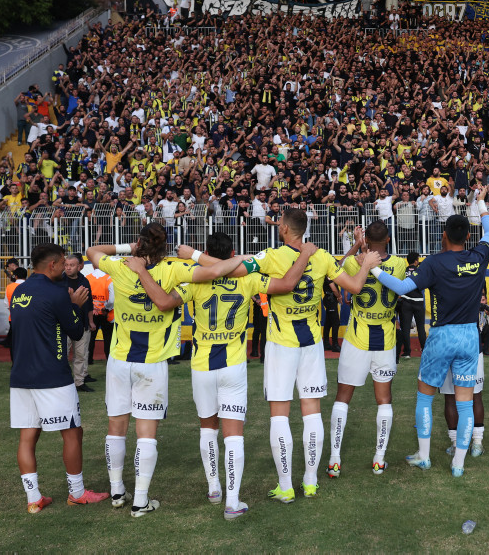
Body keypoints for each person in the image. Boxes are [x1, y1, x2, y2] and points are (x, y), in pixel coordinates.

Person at [193, 208, 380, 502]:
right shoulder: (320, 256)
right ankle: (309, 481)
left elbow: (227, 271)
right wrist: (366, 264)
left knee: (279, 415)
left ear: (283, 228)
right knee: (312, 411)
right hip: (312, 344)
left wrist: (197, 256)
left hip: (282, 344)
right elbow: (356, 287)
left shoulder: (272, 256)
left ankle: (285, 485)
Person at [128, 232, 316, 520]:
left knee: (208, 428)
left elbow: (164, 302)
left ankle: (214, 487)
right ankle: (233, 501)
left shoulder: (194, 279)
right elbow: (288, 284)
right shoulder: (248, 279)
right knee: (233, 435)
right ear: (232, 254)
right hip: (233, 367)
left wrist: (142, 272)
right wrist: (304, 255)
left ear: (206, 252)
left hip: (202, 366)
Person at [86, 223, 249, 517]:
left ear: (139, 243)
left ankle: (117, 491)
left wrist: (130, 251)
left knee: (115, 429)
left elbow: (92, 251)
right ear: (164, 248)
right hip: (152, 362)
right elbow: (216, 272)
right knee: (146, 433)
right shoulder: (173, 269)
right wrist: (195, 254)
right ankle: (140, 500)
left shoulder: (121, 265)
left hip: (119, 360)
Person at [373, 186, 489, 477]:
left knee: (425, 396)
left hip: (442, 335)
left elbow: (403, 287)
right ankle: (459, 464)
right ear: (467, 236)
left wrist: (374, 270)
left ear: (444, 235)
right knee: (465, 401)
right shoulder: (479, 257)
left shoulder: (434, 263)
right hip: (469, 335)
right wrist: (481, 203)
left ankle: (424, 456)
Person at [9, 243, 109, 512]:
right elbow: (77, 333)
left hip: (20, 376)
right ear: (52, 264)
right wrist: (75, 305)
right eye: (62, 262)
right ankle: (77, 492)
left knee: (28, 436)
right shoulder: (56, 293)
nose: (65, 267)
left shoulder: (19, 290)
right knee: (73, 432)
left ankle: (33, 499)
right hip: (51, 376)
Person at [327, 220, 406, 478]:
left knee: (342, 398)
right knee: (384, 400)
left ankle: (335, 459)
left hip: (356, 340)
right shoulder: (400, 264)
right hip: (385, 340)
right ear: (389, 240)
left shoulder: (353, 263)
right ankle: (379, 459)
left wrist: (357, 249)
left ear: (365, 240)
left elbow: (337, 268)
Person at [441, 293, 489, 458]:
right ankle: (476, 443)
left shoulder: (443, 283)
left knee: (451, 396)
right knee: (474, 395)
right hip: (471, 346)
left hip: (448, 344)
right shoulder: (472, 282)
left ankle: (458, 443)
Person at [63, 255, 95, 392]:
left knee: (81, 355)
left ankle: (79, 382)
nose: (68, 267)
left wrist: (91, 321)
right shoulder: (59, 281)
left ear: (79, 266)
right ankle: (63, 381)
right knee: (62, 354)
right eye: (66, 265)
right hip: (64, 325)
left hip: (82, 324)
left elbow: (89, 303)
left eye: (71, 265)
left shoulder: (85, 281)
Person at [396, 252, 425, 360]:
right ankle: (424, 349)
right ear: (416, 261)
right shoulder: (419, 271)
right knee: (421, 328)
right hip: (418, 301)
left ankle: (407, 352)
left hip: (406, 301)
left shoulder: (403, 271)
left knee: (406, 328)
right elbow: (423, 284)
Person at [86, 268, 114, 365]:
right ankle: (109, 360)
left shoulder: (88, 278)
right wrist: (106, 308)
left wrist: (92, 308)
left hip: (92, 312)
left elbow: (85, 295)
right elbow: (112, 299)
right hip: (106, 313)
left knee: (91, 338)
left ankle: (89, 360)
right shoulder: (109, 279)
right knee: (108, 338)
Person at [322, 279, 342, 352]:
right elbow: (334, 289)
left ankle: (326, 344)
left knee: (328, 323)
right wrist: (339, 296)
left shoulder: (331, 274)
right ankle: (335, 345)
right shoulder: (328, 275)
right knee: (335, 323)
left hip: (331, 299)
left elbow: (335, 288)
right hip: (330, 300)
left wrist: (338, 296)